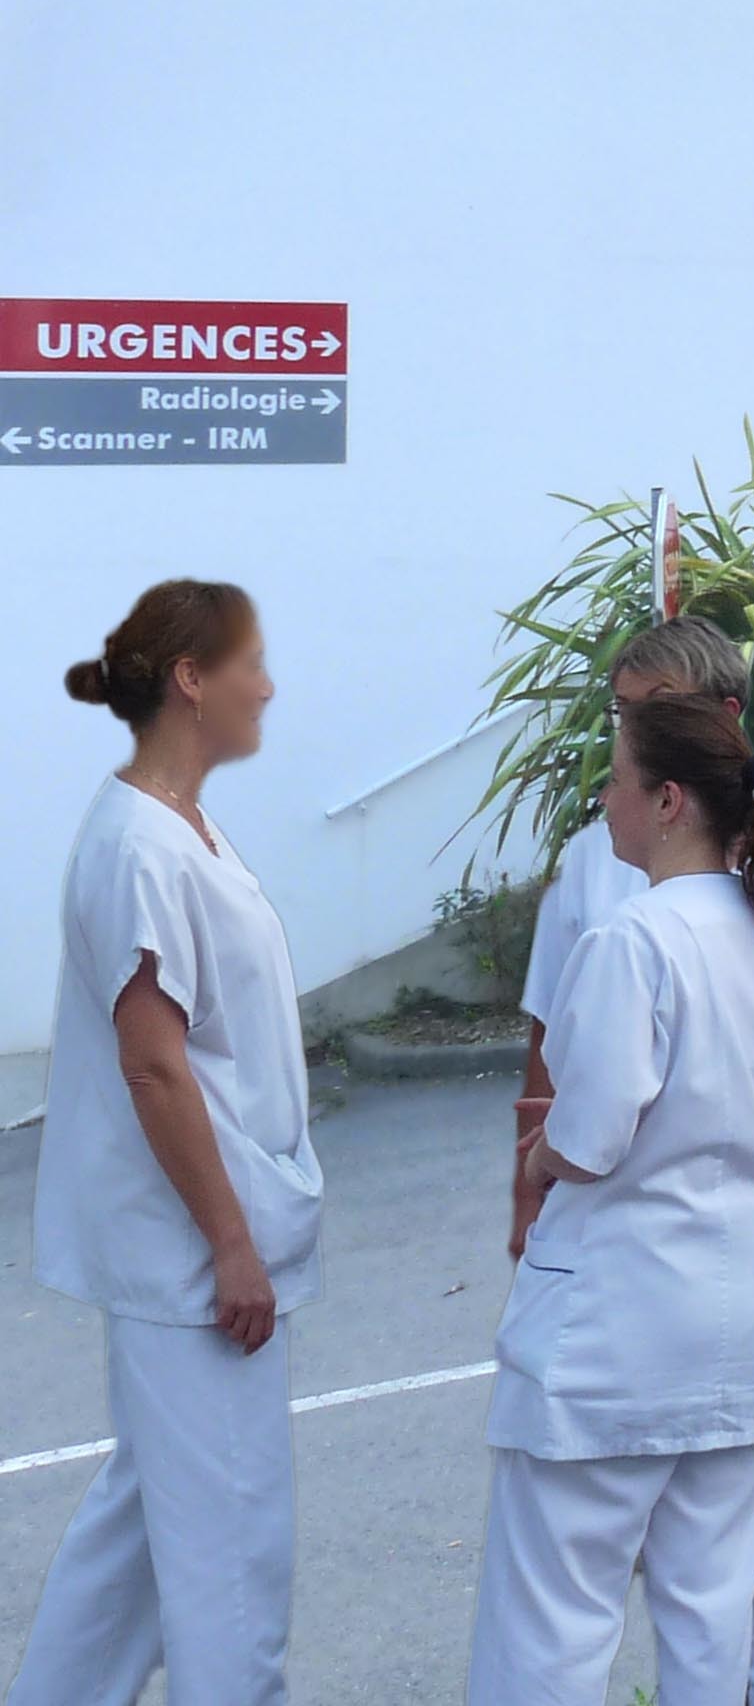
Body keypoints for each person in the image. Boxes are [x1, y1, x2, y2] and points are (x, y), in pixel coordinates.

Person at [514, 617, 754, 1706]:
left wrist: (537, 1159)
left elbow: (591, 1130)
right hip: (744, 1322)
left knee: (555, 1624)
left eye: (628, 754)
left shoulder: (650, 935)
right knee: (712, 1624)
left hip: (627, 1322)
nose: (608, 781)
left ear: (675, 788)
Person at [11, 579, 322, 1706]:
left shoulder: (171, 822)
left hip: (194, 1244)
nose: (268, 685)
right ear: (192, 680)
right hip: (196, 1259)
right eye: (250, 660)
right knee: (231, 1559)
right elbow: (154, 1062)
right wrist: (232, 1245)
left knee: (142, 1539)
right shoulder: (144, 845)